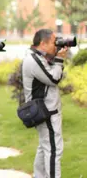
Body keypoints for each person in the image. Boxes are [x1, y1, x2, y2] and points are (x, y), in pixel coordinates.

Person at [22, 29, 67, 178]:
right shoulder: (33, 59)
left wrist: (56, 56)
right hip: (46, 112)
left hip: (44, 111)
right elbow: (53, 79)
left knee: (45, 148)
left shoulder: (38, 56)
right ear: (43, 43)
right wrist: (60, 59)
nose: (56, 45)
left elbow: (52, 74)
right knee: (54, 151)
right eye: (54, 42)